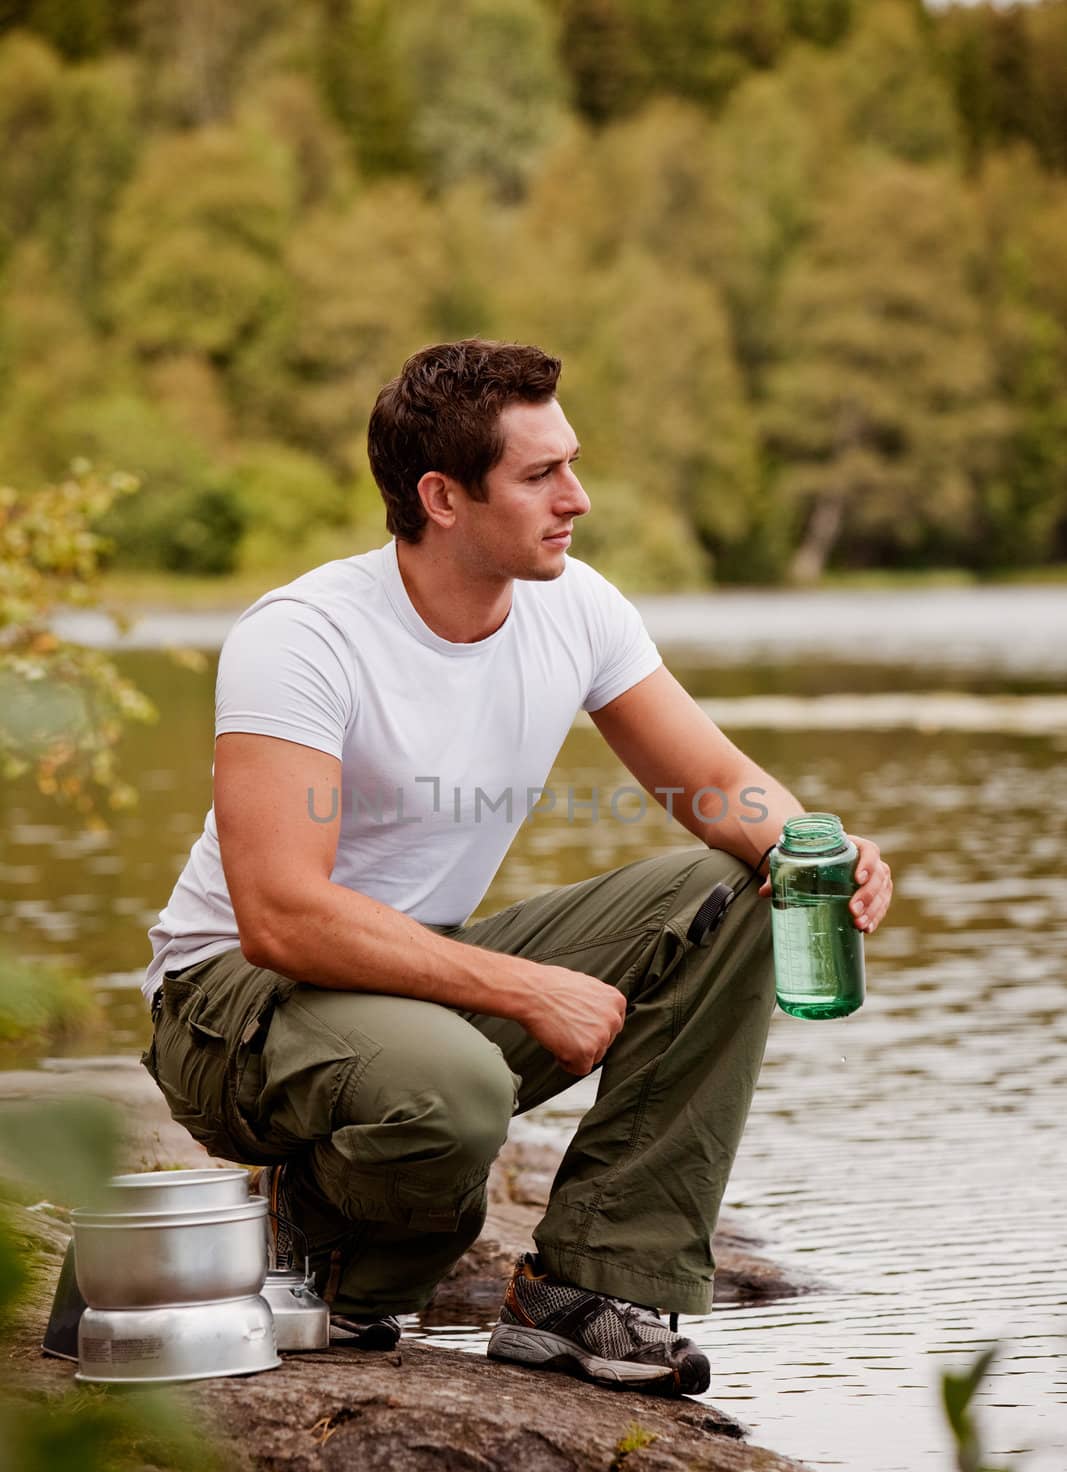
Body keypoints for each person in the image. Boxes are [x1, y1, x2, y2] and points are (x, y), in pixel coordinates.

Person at [140, 339, 892, 1397]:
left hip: (405, 976)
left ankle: (587, 1290)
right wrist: (524, 985)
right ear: (442, 496)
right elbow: (279, 915)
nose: (575, 498)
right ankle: (312, 1244)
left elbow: (715, 780)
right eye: (540, 476)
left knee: (736, 891)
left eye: (569, 464)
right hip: (235, 1001)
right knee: (452, 1091)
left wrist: (818, 850)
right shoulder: (303, 636)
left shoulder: (574, 606)